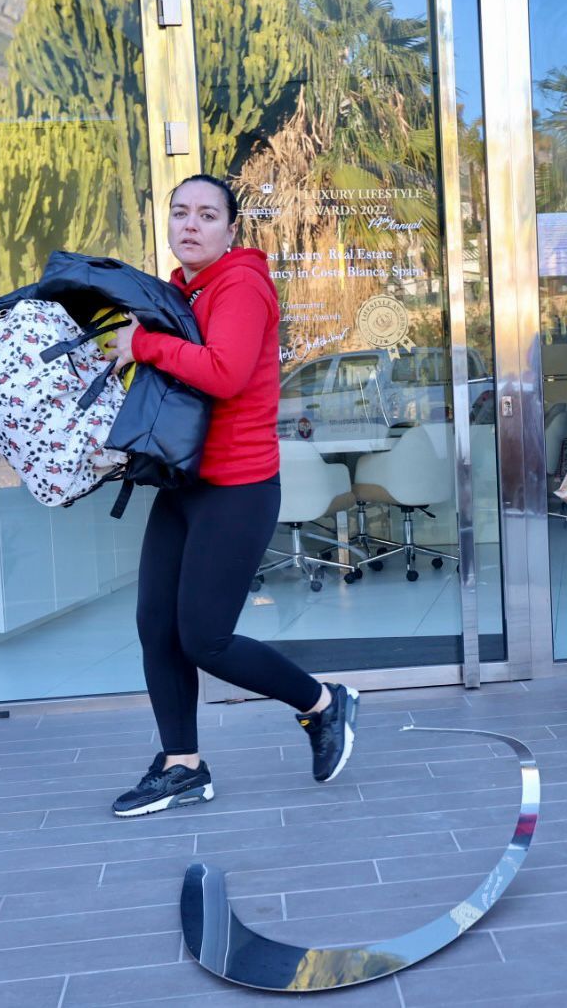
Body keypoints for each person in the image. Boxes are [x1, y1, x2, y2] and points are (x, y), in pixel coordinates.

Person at [103, 174, 358, 817]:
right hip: (184, 483)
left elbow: (225, 373)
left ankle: (323, 705)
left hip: (236, 489)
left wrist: (145, 346)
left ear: (231, 228)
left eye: (207, 215)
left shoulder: (241, 283)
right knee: (155, 628)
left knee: (204, 638)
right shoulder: (187, 288)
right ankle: (183, 766)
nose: (191, 224)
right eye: (180, 212)